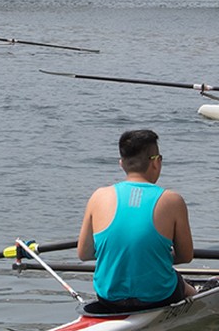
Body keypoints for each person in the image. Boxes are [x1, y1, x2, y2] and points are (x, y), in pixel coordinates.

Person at [78, 129, 196, 311]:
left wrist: (118, 253)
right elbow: (186, 256)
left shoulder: (98, 196)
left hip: (109, 298)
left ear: (121, 164)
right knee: (186, 287)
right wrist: (151, 256)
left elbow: (84, 254)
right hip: (158, 297)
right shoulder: (172, 200)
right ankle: (195, 298)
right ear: (156, 162)